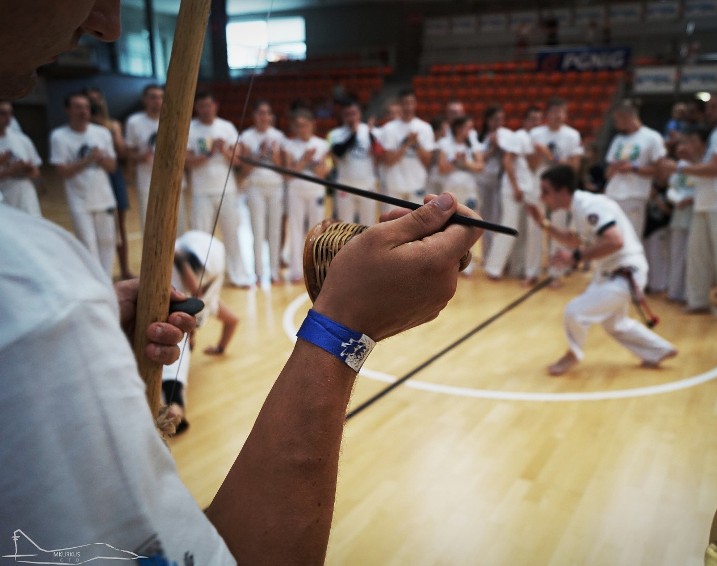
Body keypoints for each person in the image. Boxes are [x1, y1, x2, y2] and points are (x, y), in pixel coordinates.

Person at [0, 3, 483, 562]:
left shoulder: (39, 288)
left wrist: (93, 318)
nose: (107, 22)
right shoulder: (28, 287)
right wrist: (346, 326)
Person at [529, 165, 677, 375]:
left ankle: (573, 354)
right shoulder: (579, 207)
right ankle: (660, 350)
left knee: (575, 311)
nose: (542, 197)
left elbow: (615, 241)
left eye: (546, 191)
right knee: (615, 324)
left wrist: (576, 256)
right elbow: (573, 239)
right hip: (610, 272)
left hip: (625, 273)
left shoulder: (590, 206)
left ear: (562, 192)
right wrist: (543, 224)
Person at [659, 91, 717, 326]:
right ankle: (697, 299)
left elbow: (714, 168)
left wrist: (680, 167)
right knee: (697, 254)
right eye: (708, 108)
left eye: (715, 107)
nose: (710, 112)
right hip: (705, 200)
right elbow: (707, 166)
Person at [163, 230, 239, 434]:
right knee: (194, 292)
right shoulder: (207, 302)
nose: (190, 342)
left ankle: (174, 405)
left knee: (193, 293)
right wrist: (220, 348)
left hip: (205, 249)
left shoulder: (200, 302)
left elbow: (232, 321)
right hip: (207, 249)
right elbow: (233, 321)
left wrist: (220, 348)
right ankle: (175, 405)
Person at [186, 91, 251, 287]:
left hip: (227, 190)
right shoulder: (191, 128)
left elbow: (238, 161)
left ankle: (237, 274)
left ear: (215, 105)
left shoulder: (226, 127)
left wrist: (223, 150)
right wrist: (209, 151)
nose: (206, 110)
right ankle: (201, 279)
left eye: (209, 105)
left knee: (232, 234)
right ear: (197, 108)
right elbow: (187, 162)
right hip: (201, 191)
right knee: (201, 236)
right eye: (201, 106)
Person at [50, 91, 118, 278]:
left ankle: (107, 282)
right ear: (67, 110)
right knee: (88, 245)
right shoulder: (59, 136)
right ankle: (95, 284)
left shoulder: (102, 133)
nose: (83, 111)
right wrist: (88, 159)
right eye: (78, 107)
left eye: (86, 107)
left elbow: (112, 166)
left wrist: (100, 158)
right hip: (79, 201)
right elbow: (62, 171)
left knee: (108, 242)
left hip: (104, 198)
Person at [529, 97, 584, 284]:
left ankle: (555, 274)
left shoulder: (572, 135)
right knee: (535, 229)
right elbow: (530, 165)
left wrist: (552, 157)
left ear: (565, 114)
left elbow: (574, 166)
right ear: (548, 114)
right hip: (538, 185)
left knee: (558, 230)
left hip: (560, 190)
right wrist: (538, 154)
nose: (558, 116)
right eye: (554, 112)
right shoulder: (536, 133)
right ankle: (532, 272)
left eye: (561, 112)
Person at [484, 106, 541, 282]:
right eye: (532, 119)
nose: (535, 123)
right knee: (509, 226)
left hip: (528, 188)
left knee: (525, 231)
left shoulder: (535, 139)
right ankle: (493, 268)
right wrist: (515, 186)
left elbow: (532, 166)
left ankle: (518, 267)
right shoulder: (519, 136)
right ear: (526, 121)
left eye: (538, 119)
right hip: (512, 189)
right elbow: (507, 161)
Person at [87, 86, 134, 279]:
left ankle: (124, 269)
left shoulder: (113, 124)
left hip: (114, 176)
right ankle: (97, 270)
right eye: (91, 101)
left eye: (98, 100)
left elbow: (122, 153)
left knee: (119, 225)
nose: (95, 104)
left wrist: (113, 132)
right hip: (92, 178)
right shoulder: (83, 126)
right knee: (95, 228)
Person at [603, 99, 668, 238]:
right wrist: (615, 167)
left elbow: (661, 170)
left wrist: (633, 168)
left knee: (631, 239)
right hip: (612, 194)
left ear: (625, 117)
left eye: (617, 119)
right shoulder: (618, 139)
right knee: (610, 238)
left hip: (635, 195)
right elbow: (607, 174)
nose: (615, 123)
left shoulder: (652, 137)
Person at [239, 99, 287, 285]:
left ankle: (274, 272)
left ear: (271, 116)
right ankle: (259, 274)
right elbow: (243, 170)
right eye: (260, 113)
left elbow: (283, 167)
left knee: (274, 230)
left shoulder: (278, 136)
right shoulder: (246, 137)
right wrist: (258, 155)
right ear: (254, 115)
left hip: (275, 186)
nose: (264, 117)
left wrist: (273, 155)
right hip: (255, 186)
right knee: (257, 231)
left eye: (267, 113)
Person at [283, 108, 330, 283]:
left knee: (316, 230)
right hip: (295, 190)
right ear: (294, 127)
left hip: (316, 191)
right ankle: (296, 271)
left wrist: (309, 163)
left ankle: (315, 270)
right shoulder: (288, 145)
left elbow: (323, 172)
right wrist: (304, 159)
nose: (302, 128)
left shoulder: (322, 145)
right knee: (295, 230)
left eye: (305, 125)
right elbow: (288, 173)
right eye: (299, 125)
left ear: (313, 125)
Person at [438, 115, 484, 275]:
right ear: (458, 128)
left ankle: (467, 263)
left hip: (469, 186)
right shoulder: (446, 143)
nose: (469, 131)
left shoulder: (473, 144)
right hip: (451, 186)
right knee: (448, 223)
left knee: (470, 222)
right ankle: (448, 260)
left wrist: (466, 163)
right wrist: (454, 160)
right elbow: (442, 168)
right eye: (467, 127)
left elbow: (480, 166)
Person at [665, 125, 706, 303]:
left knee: (694, 258)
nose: (684, 148)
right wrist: (677, 200)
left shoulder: (702, 165)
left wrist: (690, 199)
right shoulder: (679, 168)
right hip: (679, 216)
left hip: (696, 216)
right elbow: (671, 188)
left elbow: (704, 188)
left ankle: (691, 294)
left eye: (688, 144)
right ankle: (675, 292)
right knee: (677, 255)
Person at [378, 89, 435, 213]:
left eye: (411, 103)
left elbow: (427, 162)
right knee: (391, 225)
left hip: (417, 185)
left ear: (415, 104)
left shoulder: (425, 128)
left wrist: (417, 144)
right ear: (399, 105)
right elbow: (388, 161)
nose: (408, 107)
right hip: (394, 185)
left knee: (417, 227)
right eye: (405, 103)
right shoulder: (388, 129)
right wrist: (406, 143)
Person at [126, 83, 172, 231]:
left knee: (176, 226)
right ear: (144, 99)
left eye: (160, 97)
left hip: (172, 180)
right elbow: (129, 152)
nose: (157, 101)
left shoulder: (174, 119)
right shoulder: (134, 122)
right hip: (147, 181)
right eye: (152, 97)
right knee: (150, 225)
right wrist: (141, 157)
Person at [328, 99, 381, 226]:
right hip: (345, 185)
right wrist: (353, 134)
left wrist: (371, 137)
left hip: (367, 185)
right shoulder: (336, 134)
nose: (351, 117)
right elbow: (338, 152)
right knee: (344, 225)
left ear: (360, 114)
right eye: (347, 114)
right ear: (343, 116)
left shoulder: (371, 131)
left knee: (367, 225)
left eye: (354, 113)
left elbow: (379, 154)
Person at [476, 105, 511, 259]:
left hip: (500, 183)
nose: (499, 122)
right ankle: (487, 255)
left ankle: (497, 257)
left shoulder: (507, 136)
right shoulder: (480, 137)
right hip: (483, 182)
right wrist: (492, 148)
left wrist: (500, 146)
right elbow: (480, 159)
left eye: (501, 119)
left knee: (498, 219)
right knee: (485, 219)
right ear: (488, 121)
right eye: (496, 119)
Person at [0, 99, 42, 216]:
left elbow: (36, 172)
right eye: (2, 113)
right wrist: (9, 171)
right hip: (5, 204)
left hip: (27, 201)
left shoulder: (22, 140)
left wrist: (27, 169)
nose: (8, 117)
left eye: (10, 113)